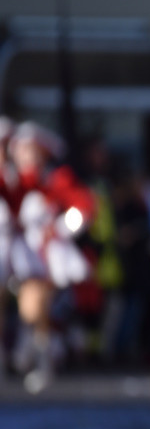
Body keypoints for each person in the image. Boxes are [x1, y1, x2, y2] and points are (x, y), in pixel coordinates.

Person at [7, 122, 95, 393]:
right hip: (20, 251)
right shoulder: (15, 181)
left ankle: (38, 355)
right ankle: (39, 352)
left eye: (30, 152)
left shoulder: (56, 179)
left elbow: (84, 206)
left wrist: (60, 229)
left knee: (35, 307)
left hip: (49, 254)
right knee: (33, 311)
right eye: (20, 152)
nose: (24, 158)